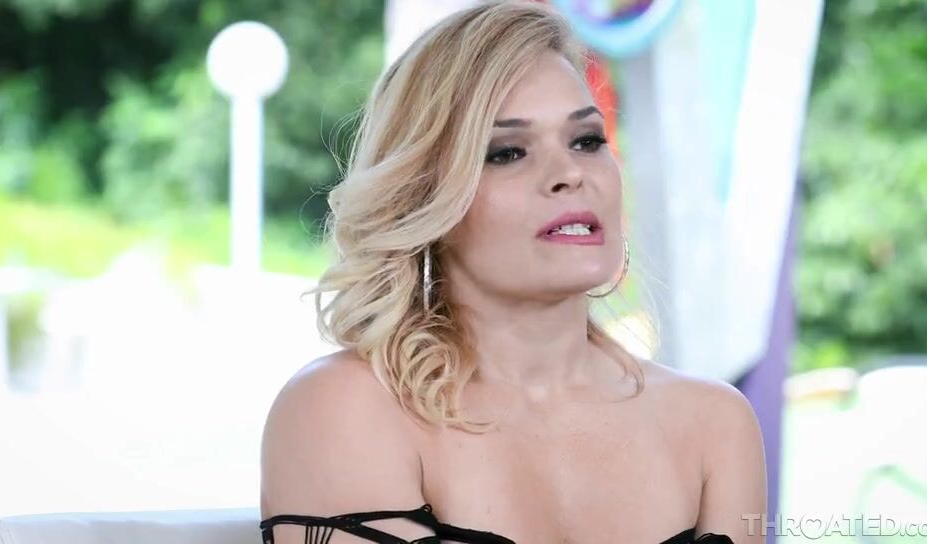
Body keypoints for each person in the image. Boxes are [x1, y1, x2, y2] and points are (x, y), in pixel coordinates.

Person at [259, 1, 767, 542]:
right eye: (507, 153)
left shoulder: (716, 424)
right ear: (424, 195)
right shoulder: (345, 408)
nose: (570, 173)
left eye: (586, 140)